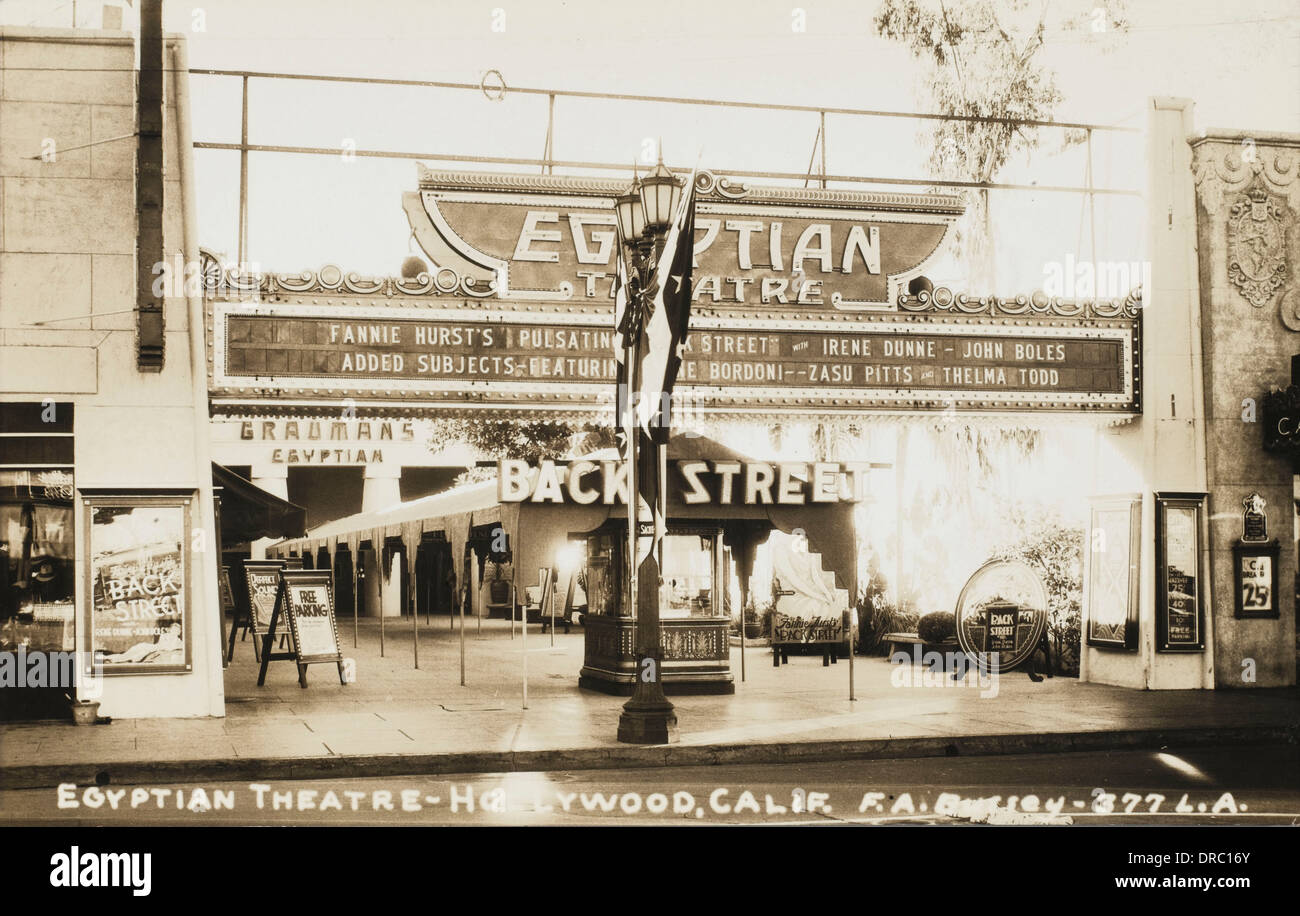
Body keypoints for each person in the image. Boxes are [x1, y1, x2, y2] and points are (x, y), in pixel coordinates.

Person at [105, 621, 183, 664]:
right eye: (174, 629)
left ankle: (107, 659)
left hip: (148, 651)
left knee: (127, 657)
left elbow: (173, 650)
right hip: (145, 647)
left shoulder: (179, 642)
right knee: (125, 656)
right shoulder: (165, 636)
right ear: (170, 630)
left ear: (179, 632)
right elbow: (161, 646)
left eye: (177, 630)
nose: (175, 631)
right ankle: (105, 658)